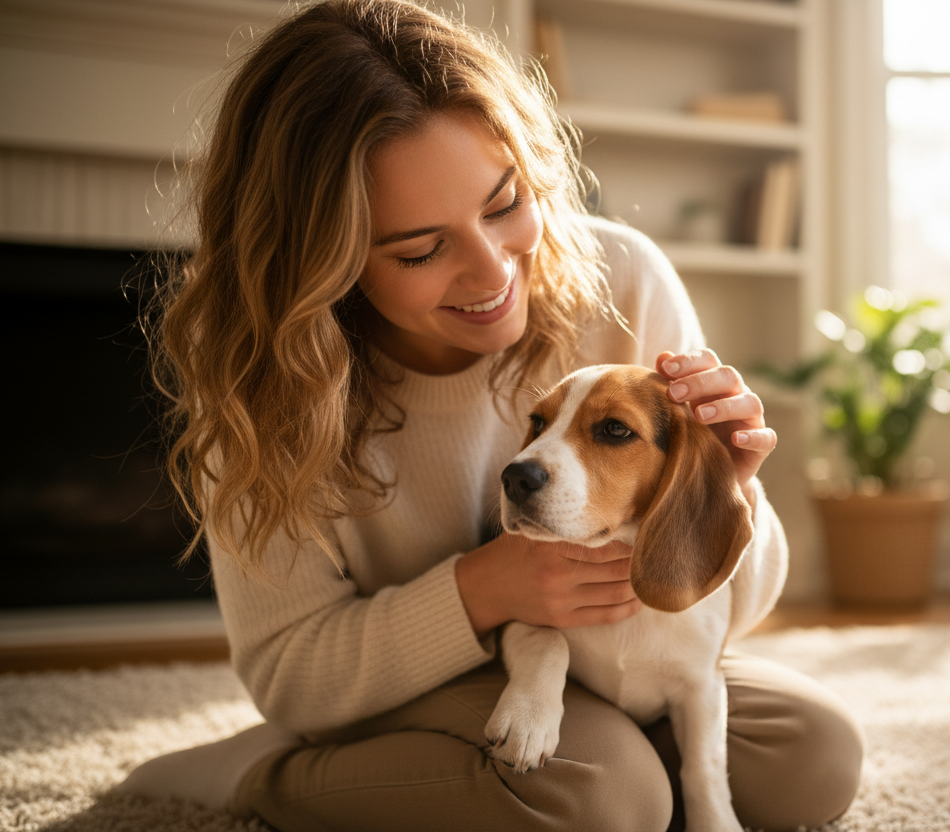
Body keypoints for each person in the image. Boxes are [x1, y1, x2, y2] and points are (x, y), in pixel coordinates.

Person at [119, 1, 864, 830]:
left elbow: (732, 612)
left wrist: (728, 495)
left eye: (504, 202)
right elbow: (294, 676)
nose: (491, 273)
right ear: (318, 265)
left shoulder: (621, 279)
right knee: (603, 793)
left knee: (813, 753)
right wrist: (487, 588)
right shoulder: (269, 385)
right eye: (419, 249)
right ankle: (267, 779)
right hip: (415, 683)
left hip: (607, 664)